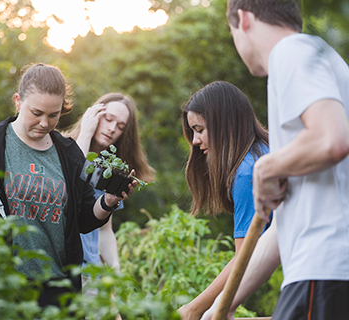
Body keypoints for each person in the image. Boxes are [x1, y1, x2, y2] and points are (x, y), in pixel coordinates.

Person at [0, 63, 137, 308]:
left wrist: (108, 202)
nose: (45, 123)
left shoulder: (68, 153)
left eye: (53, 115)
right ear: (17, 101)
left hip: (54, 293)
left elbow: (87, 217)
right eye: (36, 113)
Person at [201, 1, 349, 319]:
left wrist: (267, 166)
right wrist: (219, 307)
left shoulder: (292, 51)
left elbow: (332, 138)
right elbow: (281, 229)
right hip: (321, 272)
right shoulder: (320, 64)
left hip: (325, 269)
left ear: (243, 19)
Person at [177, 81, 270, 320]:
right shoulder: (264, 150)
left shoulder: (248, 172)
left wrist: (194, 309)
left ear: (223, 124)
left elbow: (245, 258)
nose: (195, 142)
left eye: (199, 129)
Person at [63, 93, 156, 289]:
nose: (112, 128)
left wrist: (115, 268)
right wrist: (86, 134)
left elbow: (104, 230)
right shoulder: (61, 148)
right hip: (62, 267)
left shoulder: (112, 170)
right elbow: (70, 188)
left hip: (90, 273)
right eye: (108, 119)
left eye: (121, 126)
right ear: (93, 114)